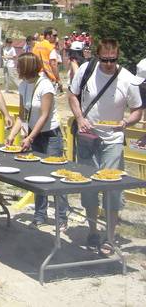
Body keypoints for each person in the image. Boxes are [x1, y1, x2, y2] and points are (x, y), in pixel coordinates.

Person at [68, 39, 142, 255]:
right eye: (105, 60)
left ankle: (109, 237)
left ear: (118, 57)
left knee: (112, 189)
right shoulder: (86, 69)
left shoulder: (127, 79)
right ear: (97, 56)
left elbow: (137, 110)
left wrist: (127, 122)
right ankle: (92, 231)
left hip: (113, 140)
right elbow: (72, 95)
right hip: (87, 136)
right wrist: (80, 117)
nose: (109, 64)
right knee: (89, 186)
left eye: (113, 60)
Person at [6, 53, 68, 229]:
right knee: (38, 176)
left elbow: (44, 115)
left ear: (26, 68)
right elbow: (22, 114)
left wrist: (30, 137)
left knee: (56, 175)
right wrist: (12, 135)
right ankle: (40, 215)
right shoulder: (23, 86)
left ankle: (62, 217)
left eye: (19, 66)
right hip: (34, 135)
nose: (17, 69)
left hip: (50, 135)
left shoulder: (45, 86)